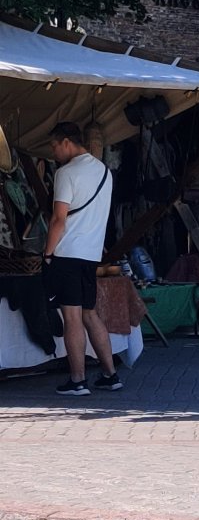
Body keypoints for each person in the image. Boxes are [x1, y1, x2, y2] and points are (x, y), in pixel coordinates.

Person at [45, 121, 119, 398]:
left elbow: (58, 219)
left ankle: (77, 380)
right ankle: (111, 375)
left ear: (66, 142)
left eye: (54, 146)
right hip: (91, 255)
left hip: (67, 254)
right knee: (90, 313)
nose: (53, 153)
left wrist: (48, 254)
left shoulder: (66, 173)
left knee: (72, 317)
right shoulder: (104, 172)